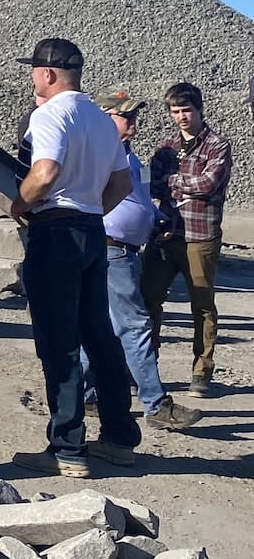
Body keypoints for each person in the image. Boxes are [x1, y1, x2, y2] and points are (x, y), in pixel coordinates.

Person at [7, 37, 137, 478]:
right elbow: (121, 185)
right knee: (99, 333)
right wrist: (91, 209)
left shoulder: (49, 114)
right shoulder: (102, 121)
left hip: (55, 230)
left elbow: (44, 172)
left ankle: (67, 447)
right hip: (91, 229)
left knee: (58, 342)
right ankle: (119, 437)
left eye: (33, 72)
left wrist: (20, 204)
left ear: (46, 74)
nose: (31, 79)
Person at [83, 88, 193, 433]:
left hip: (125, 250)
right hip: (111, 248)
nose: (133, 122)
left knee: (108, 326)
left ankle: (85, 393)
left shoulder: (128, 156)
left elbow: (136, 199)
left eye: (134, 116)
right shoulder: (101, 152)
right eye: (125, 116)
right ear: (106, 117)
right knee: (135, 326)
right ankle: (156, 403)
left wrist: (150, 218)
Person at [142, 81, 233, 400]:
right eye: (175, 111)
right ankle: (145, 366)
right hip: (166, 234)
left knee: (202, 305)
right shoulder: (166, 148)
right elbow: (153, 186)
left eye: (186, 110)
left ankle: (202, 371)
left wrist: (174, 182)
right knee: (147, 299)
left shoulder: (217, 145)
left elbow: (209, 184)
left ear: (198, 109)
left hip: (200, 235)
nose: (181, 117)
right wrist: (177, 185)